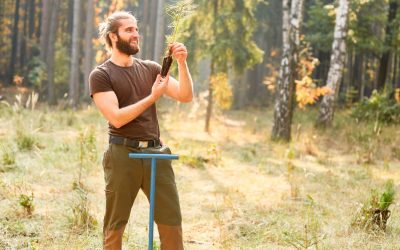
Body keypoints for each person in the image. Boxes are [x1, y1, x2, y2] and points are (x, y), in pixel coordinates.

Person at [89, 11, 193, 250]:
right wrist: (152, 97)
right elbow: (116, 118)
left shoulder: (150, 69)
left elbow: (185, 96)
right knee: (115, 224)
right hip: (122, 154)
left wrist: (182, 62)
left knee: (171, 222)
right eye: (129, 30)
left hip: (157, 152)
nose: (136, 34)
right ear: (113, 37)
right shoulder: (101, 75)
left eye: (136, 29)